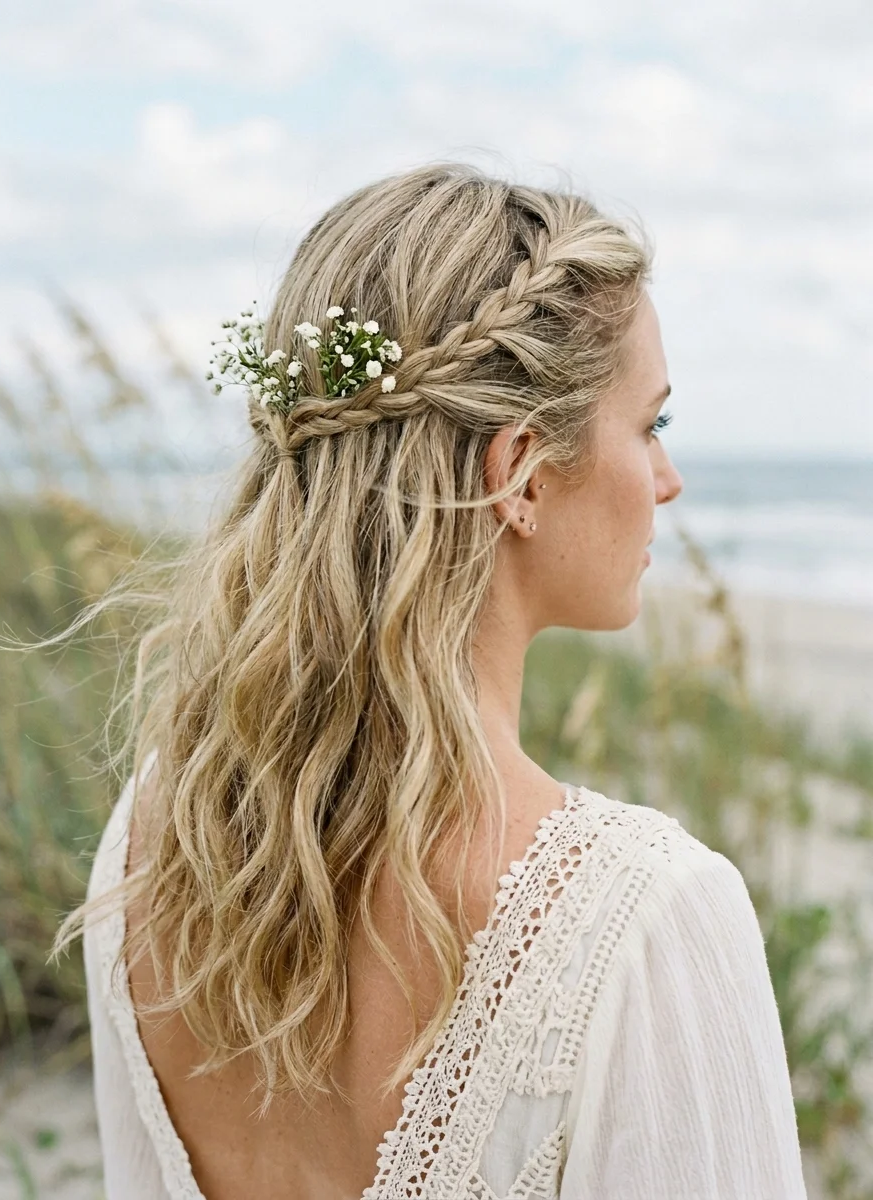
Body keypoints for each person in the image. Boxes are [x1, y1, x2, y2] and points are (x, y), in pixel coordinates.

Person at [60, 162, 808, 1198]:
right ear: (519, 475)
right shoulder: (641, 920)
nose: (666, 481)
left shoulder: (156, 839)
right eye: (651, 426)